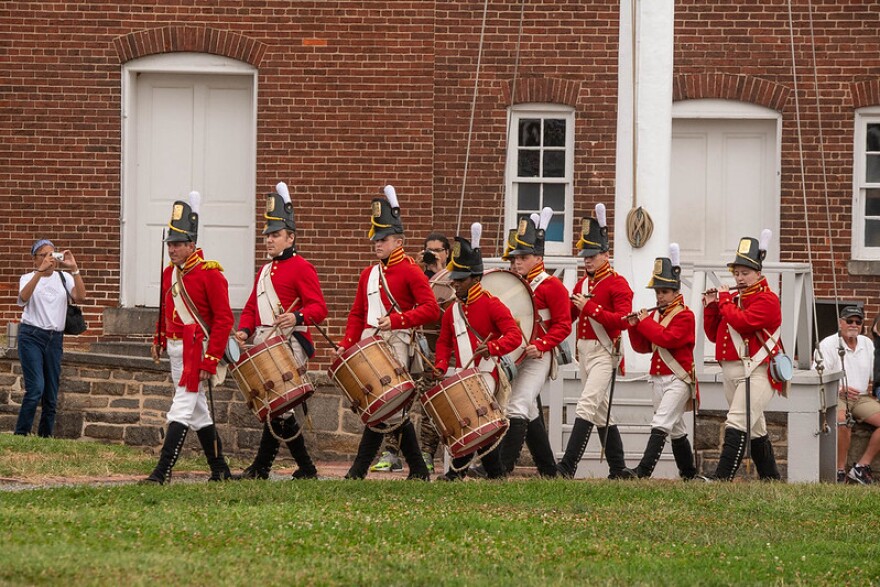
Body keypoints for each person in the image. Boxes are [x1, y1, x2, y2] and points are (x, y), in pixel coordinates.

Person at [336, 185, 440, 480]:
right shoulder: (369, 273)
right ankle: (417, 469)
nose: (377, 244)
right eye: (376, 239)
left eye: (383, 239)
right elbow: (357, 313)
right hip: (370, 343)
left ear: (399, 241)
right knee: (380, 407)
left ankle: (358, 471)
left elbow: (430, 310)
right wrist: (347, 343)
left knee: (387, 408)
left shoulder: (410, 271)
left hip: (397, 342)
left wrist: (397, 321)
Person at [233, 182, 328, 480]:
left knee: (280, 407)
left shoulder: (302, 267)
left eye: (275, 235)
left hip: (290, 343)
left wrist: (296, 315)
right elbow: (251, 308)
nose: (269, 241)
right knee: (278, 407)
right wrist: (244, 332)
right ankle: (305, 468)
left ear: (290, 237)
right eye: (267, 236)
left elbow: (319, 308)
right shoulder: (264, 271)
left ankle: (262, 468)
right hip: (264, 342)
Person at [143, 192, 235, 484]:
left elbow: (223, 320)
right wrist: (159, 338)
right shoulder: (169, 273)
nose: (171, 249)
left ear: (192, 245)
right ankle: (220, 469)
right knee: (198, 412)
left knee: (181, 406)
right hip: (175, 348)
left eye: (178, 244)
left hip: (197, 350)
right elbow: (166, 312)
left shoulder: (211, 274)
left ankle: (162, 472)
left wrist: (212, 358)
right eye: (170, 243)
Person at [432, 223, 523, 481]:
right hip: (464, 372)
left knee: (472, 419)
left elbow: (515, 336)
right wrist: (440, 365)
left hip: (487, 372)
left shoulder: (492, 305)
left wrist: (492, 347)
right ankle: (495, 473)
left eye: (460, 280)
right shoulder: (452, 310)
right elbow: (444, 342)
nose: (455, 284)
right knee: (475, 424)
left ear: (475, 278)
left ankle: (455, 473)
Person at [556, 204, 635, 479]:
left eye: (592, 255)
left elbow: (624, 321)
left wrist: (591, 309)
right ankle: (618, 468)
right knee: (601, 412)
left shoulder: (618, 283)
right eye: (584, 256)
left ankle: (567, 466)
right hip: (584, 352)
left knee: (587, 404)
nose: (587, 261)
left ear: (605, 254)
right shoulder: (581, 285)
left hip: (605, 351)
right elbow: (569, 317)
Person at [702, 230, 784, 481]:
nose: (739, 278)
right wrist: (711, 307)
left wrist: (724, 300)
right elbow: (714, 336)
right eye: (736, 273)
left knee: (736, 422)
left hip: (757, 370)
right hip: (732, 371)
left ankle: (721, 478)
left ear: (758, 273)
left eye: (745, 273)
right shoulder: (734, 299)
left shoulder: (767, 299)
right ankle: (771, 477)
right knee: (756, 427)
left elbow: (743, 324)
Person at [371, 232, 450, 474]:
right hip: (410, 341)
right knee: (397, 398)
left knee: (429, 403)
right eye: (429, 249)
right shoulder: (414, 272)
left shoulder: (451, 279)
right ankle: (391, 450)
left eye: (437, 250)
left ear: (448, 253)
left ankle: (425, 454)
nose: (432, 254)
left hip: (435, 348)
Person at [502, 208, 572, 477]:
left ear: (538, 257)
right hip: (517, 354)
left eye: (524, 257)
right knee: (529, 409)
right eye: (515, 257)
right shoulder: (514, 283)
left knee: (517, 405)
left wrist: (542, 345)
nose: (517, 262)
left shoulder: (552, 286)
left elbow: (564, 325)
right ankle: (548, 470)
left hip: (539, 355)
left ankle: (501, 468)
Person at [625, 244, 699, 480]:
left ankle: (643, 471)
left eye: (664, 292)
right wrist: (634, 327)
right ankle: (688, 473)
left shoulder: (685, 315)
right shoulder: (657, 315)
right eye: (657, 291)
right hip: (658, 377)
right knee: (676, 428)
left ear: (676, 291)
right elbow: (644, 347)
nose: (659, 296)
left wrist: (646, 323)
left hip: (678, 378)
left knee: (662, 422)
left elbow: (667, 339)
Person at [13, 239, 86, 437]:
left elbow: (80, 297)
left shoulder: (64, 278)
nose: (49, 258)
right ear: (34, 259)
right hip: (31, 336)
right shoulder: (28, 277)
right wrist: (39, 273)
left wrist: (75, 270)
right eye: (43, 255)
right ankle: (21, 434)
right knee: (36, 387)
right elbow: (23, 299)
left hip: (54, 339)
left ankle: (45, 437)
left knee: (51, 393)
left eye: (52, 254)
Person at [816, 306, 880, 484]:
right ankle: (839, 471)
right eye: (849, 321)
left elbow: (876, 373)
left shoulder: (867, 344)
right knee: (843, 421)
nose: (853, 324)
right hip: (836, 395)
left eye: (858, 322)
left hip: (861, 397)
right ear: (840, 322)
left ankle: (860, 468)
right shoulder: (827, 344)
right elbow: (818, 374)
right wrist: (838, 388)